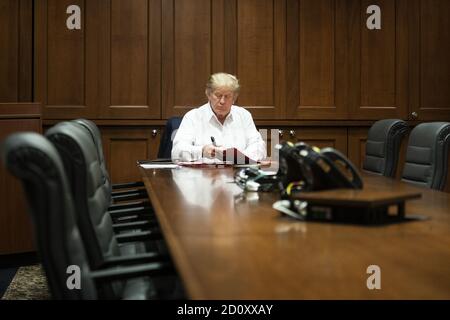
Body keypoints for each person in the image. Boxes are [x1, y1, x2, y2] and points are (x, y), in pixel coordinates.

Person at [171, 73, 267, 162]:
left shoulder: (243, 116)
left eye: (227, 96)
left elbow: (259, 148)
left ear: (234, 98)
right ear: (208, 94)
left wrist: (239, 157)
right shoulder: (193, 117)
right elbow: (177, 152)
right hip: (202, 177)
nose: (222, 101)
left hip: (236, 175)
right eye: (218, 95)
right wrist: (202, 151)